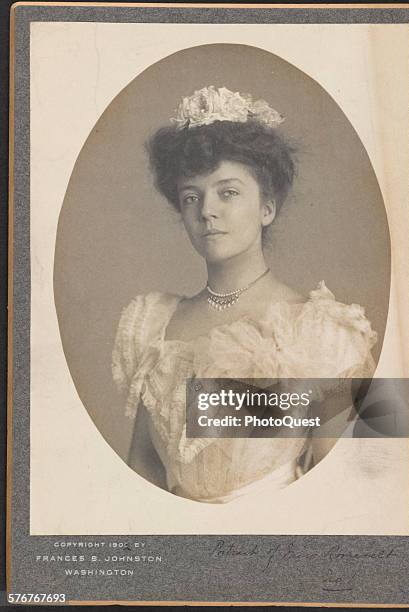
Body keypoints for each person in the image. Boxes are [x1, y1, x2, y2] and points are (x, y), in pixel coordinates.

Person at [112, 86, 377, 503]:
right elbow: (141, 471)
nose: (207, 211)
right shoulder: (154, 323)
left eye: (228, 192)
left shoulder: (317, 333)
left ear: (267, 207)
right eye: (191, 197)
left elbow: (338, 491)